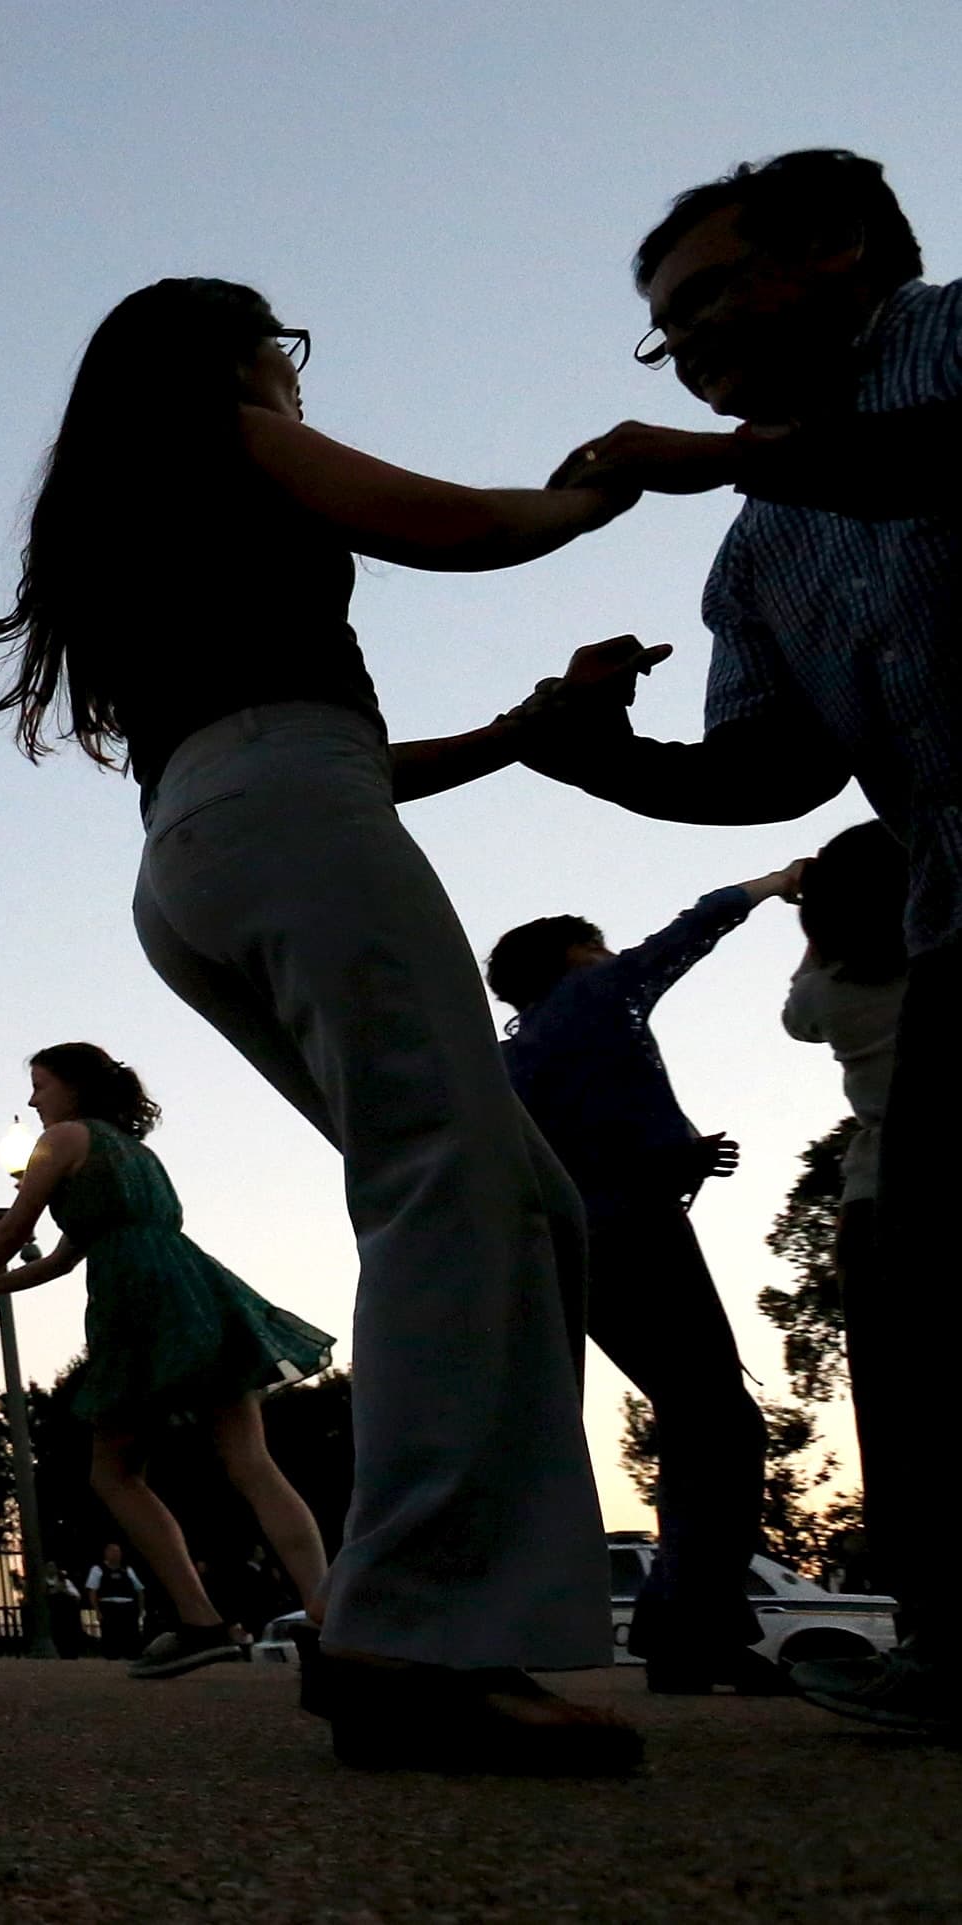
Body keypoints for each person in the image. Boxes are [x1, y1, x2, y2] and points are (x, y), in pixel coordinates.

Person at [0, 276, 645, 1774]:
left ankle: (432, 1618)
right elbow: (452, 526)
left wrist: (520, 734)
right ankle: (411, 1635)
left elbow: (295, 745)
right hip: (284, 817)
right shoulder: (224, 430)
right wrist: (597, 491)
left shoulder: (123, 507)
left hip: (203, 845)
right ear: (235, 351)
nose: (289, 374)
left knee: (507, 1195)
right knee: (461, 1192)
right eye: (280, 349)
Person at [530, 150, 959, 1736]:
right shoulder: (760, 542)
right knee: (916, 1284)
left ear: (839, 247)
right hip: (952, 907)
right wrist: (603, 755)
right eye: (666, 329)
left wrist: (725, 456)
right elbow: (773, 770)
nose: (688, 343)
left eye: (707, 298)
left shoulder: (954, 343)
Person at [491, 866, 808, 1692]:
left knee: (692, 1414)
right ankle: (690, 1623)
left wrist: (668, 1156)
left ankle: (682, 1618)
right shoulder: (596, 998)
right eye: (593, 944)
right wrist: (779, 881)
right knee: (721, 1420)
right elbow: (686, 933)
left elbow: (554, 1160)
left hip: (580, 1248)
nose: (607, 954)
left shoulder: (512, 1058)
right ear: (572, 955)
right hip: (642, 1231)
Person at [0, 1046, 335, 1681]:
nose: (34, 1100)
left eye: (40, 1085)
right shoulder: (134, 1154)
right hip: (197, 1290)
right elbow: (58, 1259)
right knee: (250, 1461)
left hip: (138, 1302)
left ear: (72, 1088)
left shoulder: (62, 1140)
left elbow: (15, 1229)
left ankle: (199, 1621)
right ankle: (328, 1602)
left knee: (115, 1473)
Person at [784, 829, 907, 1551]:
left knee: (893, 1407)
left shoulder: (829, 993)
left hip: (874, 1202)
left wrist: (815, 924)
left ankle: (926, 1614)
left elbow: (797, 1015)